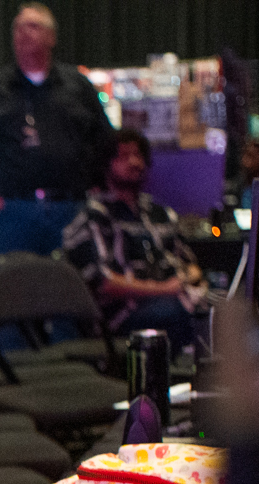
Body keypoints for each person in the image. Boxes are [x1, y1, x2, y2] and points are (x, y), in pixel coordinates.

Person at [0, 3, 114, 262]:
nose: (23, 33)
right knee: (9, 290)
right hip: (10, 212)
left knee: (71, 288)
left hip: (69, 209)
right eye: (18, 28)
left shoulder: (77, 87)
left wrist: (94, 190)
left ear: (51, 37)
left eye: (33, 26)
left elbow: (104, 141)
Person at [60, 128, 205, 354]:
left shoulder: (161, 213)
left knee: (223, 306)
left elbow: (192, 266)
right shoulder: (94, 216)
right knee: (178, 312)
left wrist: (186, 282)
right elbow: (104, 284)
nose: (134, 162)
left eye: (138, 155)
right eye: (124, 156)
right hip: (121, 315)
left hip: (174, 298)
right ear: (106, 164)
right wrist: (163, 289)